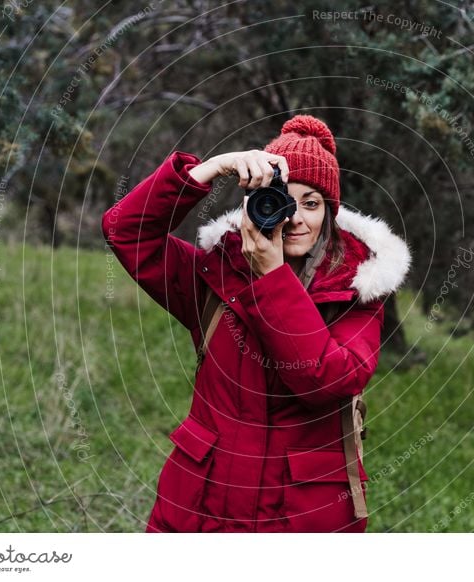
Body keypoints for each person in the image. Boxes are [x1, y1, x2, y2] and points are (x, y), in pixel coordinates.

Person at [101, 115, 411, 532]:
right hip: (201, 507)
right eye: (282, 199)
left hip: (298, 517)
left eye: (312, 203)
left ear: (330, 214)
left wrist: (271, 275)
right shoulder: (214, 275)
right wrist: (206, 170)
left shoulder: (357, 292)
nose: (296, 218)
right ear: (252, 204)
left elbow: (326, 381)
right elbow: (125, 232)